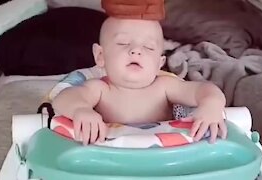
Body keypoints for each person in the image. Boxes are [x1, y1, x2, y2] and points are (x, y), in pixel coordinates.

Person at [52, 17, 227, 145]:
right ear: (100, 56)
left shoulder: (165, 87)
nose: (136, 50)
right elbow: (63, 99)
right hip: (109, 159)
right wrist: (80, 109)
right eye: (123, 43)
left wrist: (211, 105)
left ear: (159, 63)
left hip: (163, 158)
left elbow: (203, 89)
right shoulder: (99, 89)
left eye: (148, 47)